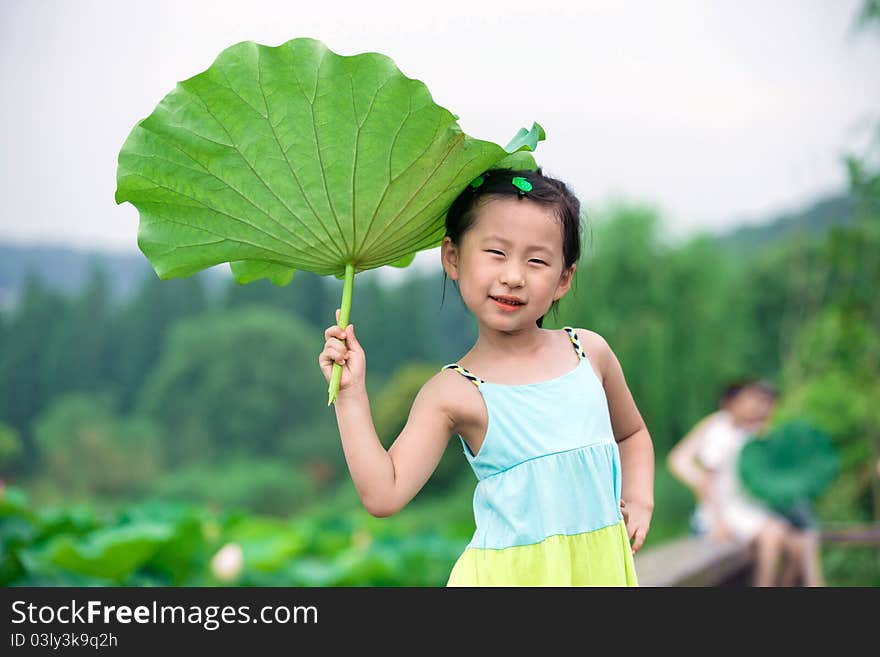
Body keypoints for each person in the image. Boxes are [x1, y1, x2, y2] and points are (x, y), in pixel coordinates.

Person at [319, 167, 655, 586]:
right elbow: (384, 493)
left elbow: (632, 435)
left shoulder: (589, 353)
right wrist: (351, 395)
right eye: (496, 253)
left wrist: (639, 497)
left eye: (536, 260)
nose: (513, 276)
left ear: (564, 278)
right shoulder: (452, 392)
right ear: (453, 258)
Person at [668, 379, 824, 586]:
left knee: (799, 546)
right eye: (750, 400)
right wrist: (718, 521)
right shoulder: (719, 429)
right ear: (733, 403)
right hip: (724, 512)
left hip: (743, 510)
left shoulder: (747, 432)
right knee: (772, 535)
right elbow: (707, 478)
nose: (756, 406)